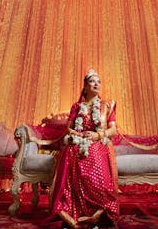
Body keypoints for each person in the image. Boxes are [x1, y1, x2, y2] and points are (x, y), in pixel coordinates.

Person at [49, 69, 119, 228]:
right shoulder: (77, 106)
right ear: (85, 87)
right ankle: (73, 211)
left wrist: (98, 136)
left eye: (99, 81)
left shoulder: (106, 105)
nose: (97, 84)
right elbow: (69, 128)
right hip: (78, 140)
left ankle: (96, 211)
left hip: (98, 141)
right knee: (70, 152)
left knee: (93, 154)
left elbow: (113, 130)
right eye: (92, 81)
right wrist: (77, 135)